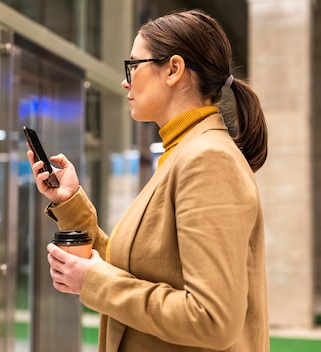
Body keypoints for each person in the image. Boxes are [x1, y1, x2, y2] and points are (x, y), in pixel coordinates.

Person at [26, 9, 269, 352]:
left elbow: (212, 320)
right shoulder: (182, 153)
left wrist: (94, 281)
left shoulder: (207, 160)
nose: (125, 81)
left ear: (173, 69)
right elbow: (138, 269)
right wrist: (70, 202)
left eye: (133, 66)